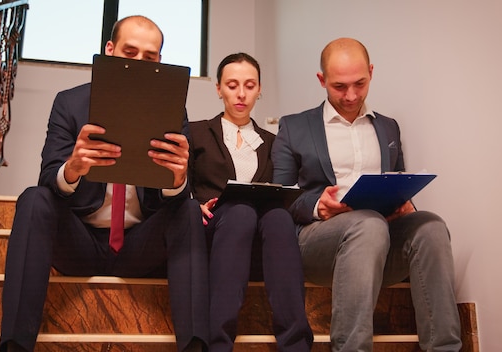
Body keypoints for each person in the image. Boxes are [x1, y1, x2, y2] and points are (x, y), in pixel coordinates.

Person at [0, 16, 208, 352]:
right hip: (80, 243)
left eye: (150, 57)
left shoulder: (172, 110)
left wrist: (178, 179)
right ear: (109, 51)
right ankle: (14, 345)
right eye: (130, 52)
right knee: (33, 199)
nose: (139, 63)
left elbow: (175, 197)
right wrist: (74, 167)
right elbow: (49, 176)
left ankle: (196, 346)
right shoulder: (69, 103)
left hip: (140, 247)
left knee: (187, 209)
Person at [271, 38, 462, 352]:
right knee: (368, 224)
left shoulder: (388, 128)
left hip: (378, 239)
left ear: (371, 72)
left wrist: (405, 204)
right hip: (317, 241)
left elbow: (397, 179)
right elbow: (282, 198)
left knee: (431, 226)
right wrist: (320, 206)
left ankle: (444, 347)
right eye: (339, 86)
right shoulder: (294, 127)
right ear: (322, 80)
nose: (351, 95)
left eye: (360, 83)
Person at [188, 52, 313, 352]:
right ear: (218, 88)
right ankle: (218, 343)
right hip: (214, 230)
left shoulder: (274, 142)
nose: (241, 94)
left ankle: (296, 344)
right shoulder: (195, 132)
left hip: (263, 236)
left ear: (259, 89)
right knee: (241, 212)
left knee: (279, 217)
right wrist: (194, 205)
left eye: (249, 85)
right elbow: (182, 184)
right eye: (232, 85)